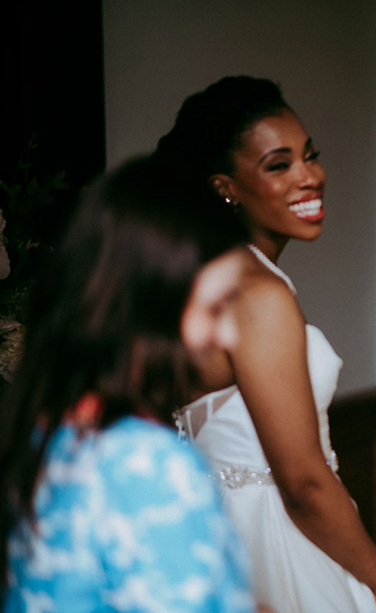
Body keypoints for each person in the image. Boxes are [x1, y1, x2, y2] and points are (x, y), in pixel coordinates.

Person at [158, 76, 376, 612]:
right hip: (279, 543)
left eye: (310, 156)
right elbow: (303, 482)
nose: (310, 177)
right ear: (225, 185)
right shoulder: (256, 293)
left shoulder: (201, 281)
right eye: (279, 165)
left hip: (215, 537)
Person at [0, 157, 256, 611]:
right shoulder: (149, 463)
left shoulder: (50, 427)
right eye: (216, 307)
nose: (230, 335)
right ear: (152, 302)